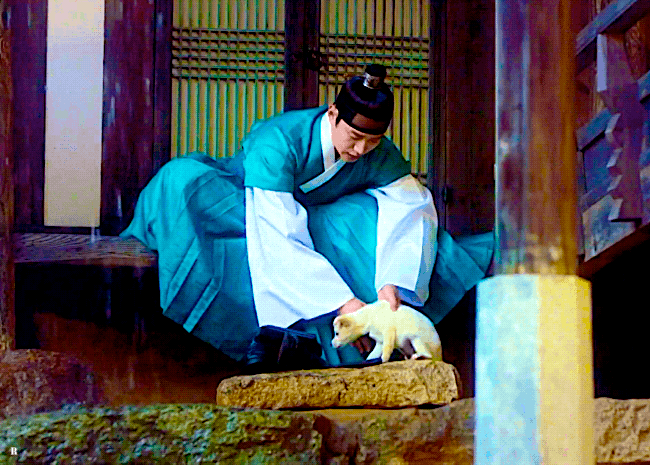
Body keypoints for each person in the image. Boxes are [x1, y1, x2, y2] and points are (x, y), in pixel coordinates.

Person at [121, 64, 493, 368]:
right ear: (332, 114)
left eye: (372, 141)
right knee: (188, 187)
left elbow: (411, 207)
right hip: (238, 200)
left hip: (308, 212)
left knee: (359, 219)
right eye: (353, 136)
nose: (361, 149)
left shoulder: (378, 152)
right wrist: (347, 305)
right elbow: (279, 233)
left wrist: (391, 283)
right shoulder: (279, 142)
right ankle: (279, 339)